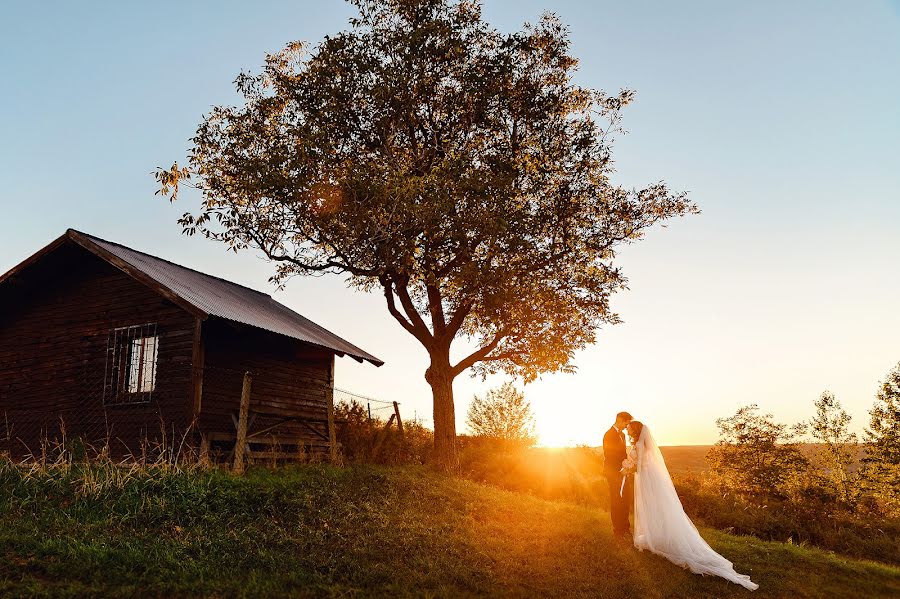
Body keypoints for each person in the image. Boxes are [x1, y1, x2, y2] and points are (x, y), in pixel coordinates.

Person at [623, 420, 758, 591]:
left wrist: (629, 468)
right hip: (647, 479)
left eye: (629, 428)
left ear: (634, 430)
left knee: (652, 507)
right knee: (653, 508)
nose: (627, 429)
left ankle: (657, 537)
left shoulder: (641, 445)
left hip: (645, 479)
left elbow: (641, 466)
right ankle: (655, 535)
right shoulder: (640, 443)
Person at [602, 411, 633, 539]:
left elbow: (622, 454)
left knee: (625, 500)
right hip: (613, 472)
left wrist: (627, 466)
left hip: (623, 472)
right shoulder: (609, 435)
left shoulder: (623, 435)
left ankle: (626, 528)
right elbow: (609, 455)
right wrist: (620, 470)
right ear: (620, 420)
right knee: (616, 501)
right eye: (626, 423)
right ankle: (618, 531)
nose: (627, 426)